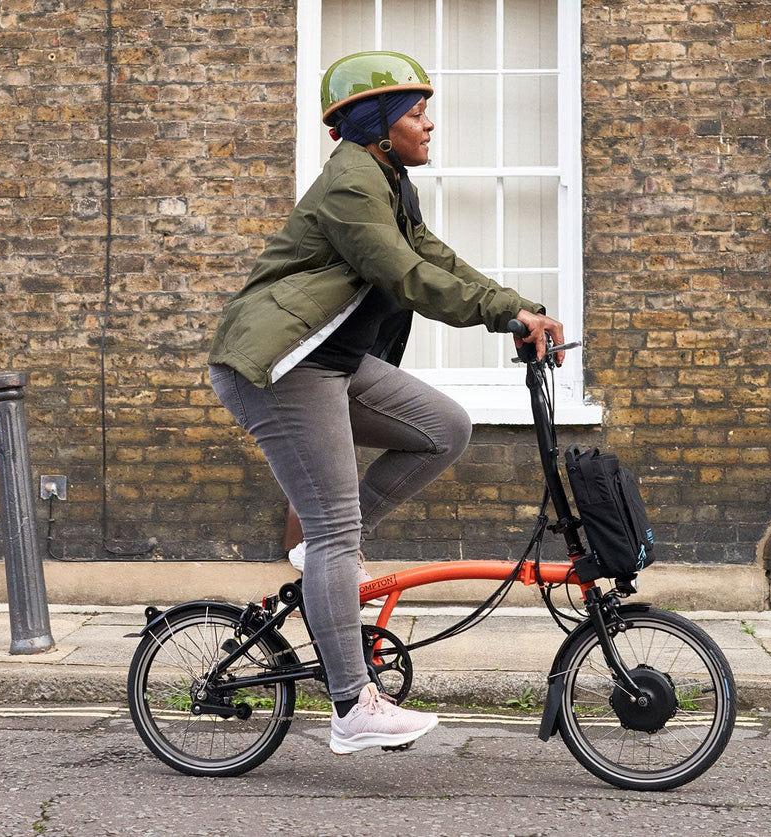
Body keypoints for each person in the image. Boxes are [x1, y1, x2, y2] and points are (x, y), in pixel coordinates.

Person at [208, 51, 565, 755]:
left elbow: (436, 257)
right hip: (282, 369)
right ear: (375, 124)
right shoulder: (351, 185)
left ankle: (322, 553)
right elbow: (406, 277)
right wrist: (501, 317)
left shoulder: (389, 180)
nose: (429, 125)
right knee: (341, 532)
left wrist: (520, 307)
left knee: (444, 427)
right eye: (415, 113)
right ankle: (351, 706)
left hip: (335, 366)